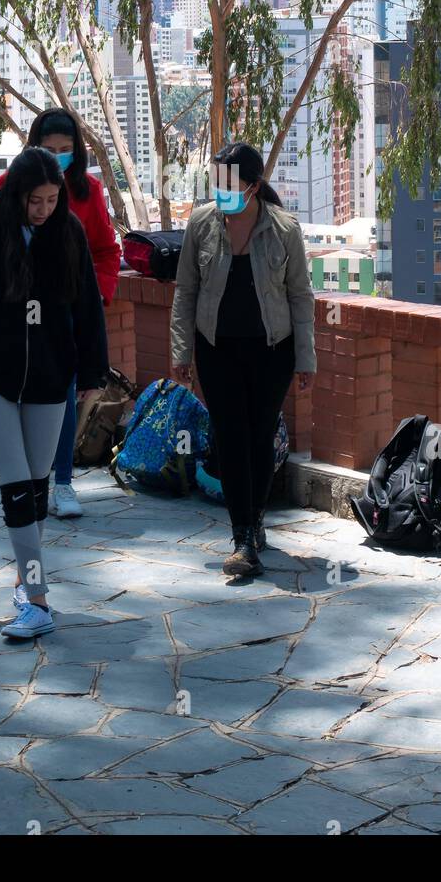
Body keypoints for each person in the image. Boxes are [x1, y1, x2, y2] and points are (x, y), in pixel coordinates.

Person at [0, 147, 109, 638]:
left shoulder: (68, 232)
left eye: (53, 200)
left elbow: (89, 306)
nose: (45, 209)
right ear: (16, 193)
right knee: (14, 487)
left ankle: (22, 581)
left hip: (51, 378)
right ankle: (39, 601)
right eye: (36, 200)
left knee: (36, 486)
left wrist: (93, 368)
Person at [170, 142, 316, 578]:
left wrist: (306, 359)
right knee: (230, 436)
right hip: (216, 348)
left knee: (258, 436)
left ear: (253, 187)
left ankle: (254, 521)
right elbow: (185, 292)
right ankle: (242, 536)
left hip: (272, 350)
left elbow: (300, 297)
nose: (221, 192)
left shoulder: (283, 229)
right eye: (217, 183)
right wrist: (181, 352)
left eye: (230, 184)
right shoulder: (201, 224)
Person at [0, 109, 120, 519]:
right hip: (15, 316)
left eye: (66, 151)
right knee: (17, 403)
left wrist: (94, 297)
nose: (58, 158)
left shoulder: (88, 192)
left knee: (63, 400)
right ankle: (25, 483)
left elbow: (106, 251)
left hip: (62, 316)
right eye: (50, 151)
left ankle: (62, 483)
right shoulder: (4, 189)